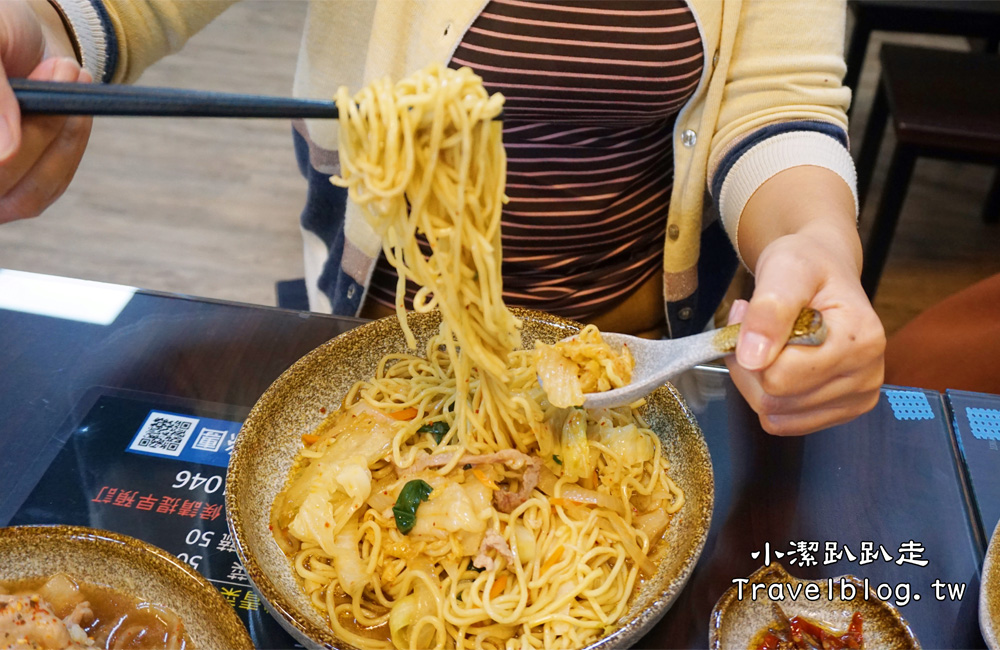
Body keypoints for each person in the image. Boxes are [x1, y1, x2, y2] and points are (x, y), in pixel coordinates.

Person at [0, 0, 885, 436]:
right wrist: (40, 27)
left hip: (628, 357)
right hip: (382, 341)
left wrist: (814, 242)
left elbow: (779, 99)